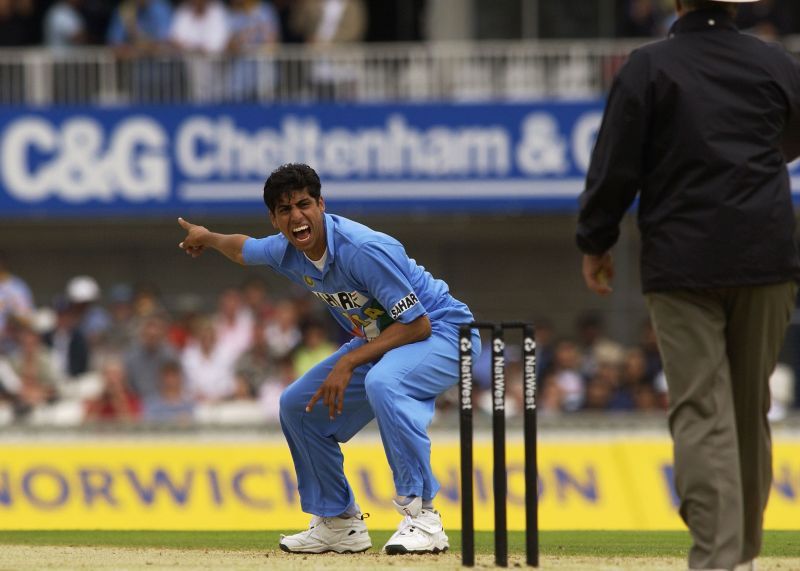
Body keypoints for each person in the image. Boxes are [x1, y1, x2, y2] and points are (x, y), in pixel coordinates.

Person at [576, 1, 800, 570]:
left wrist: (595, 240)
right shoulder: (775, 62)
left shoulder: (648, 68)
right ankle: (743, 553)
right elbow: (791, 140)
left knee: (702, 409)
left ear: (676, 2)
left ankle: (718, 558)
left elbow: (614, 166)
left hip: (683, 260)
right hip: (767, 254)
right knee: (751, 410)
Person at [177, 162, 480, 555]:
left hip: (444, 332)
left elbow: (417, 325)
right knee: (297, 406)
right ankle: (339, 523)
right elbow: (243, 249)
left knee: (384, 383)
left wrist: (348, 362)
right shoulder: (287, 251)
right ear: (274, 219)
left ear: (321, 204)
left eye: (304, 204)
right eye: (285, 211)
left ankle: (424, 517)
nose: (296, 217)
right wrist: (209, 237)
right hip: (384, 339)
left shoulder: (363, 250)